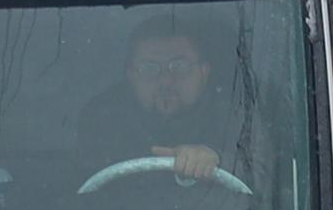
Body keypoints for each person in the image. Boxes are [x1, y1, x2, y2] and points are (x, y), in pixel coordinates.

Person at [76, 16, 239, 193]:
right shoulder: (102, 116)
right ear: (131, 75)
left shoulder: (235, 112)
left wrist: (215, 157)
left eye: (179, 66)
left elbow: (260, 167)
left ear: (204, 72)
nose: (165, 80)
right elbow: (83, 180)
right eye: (149, 68)